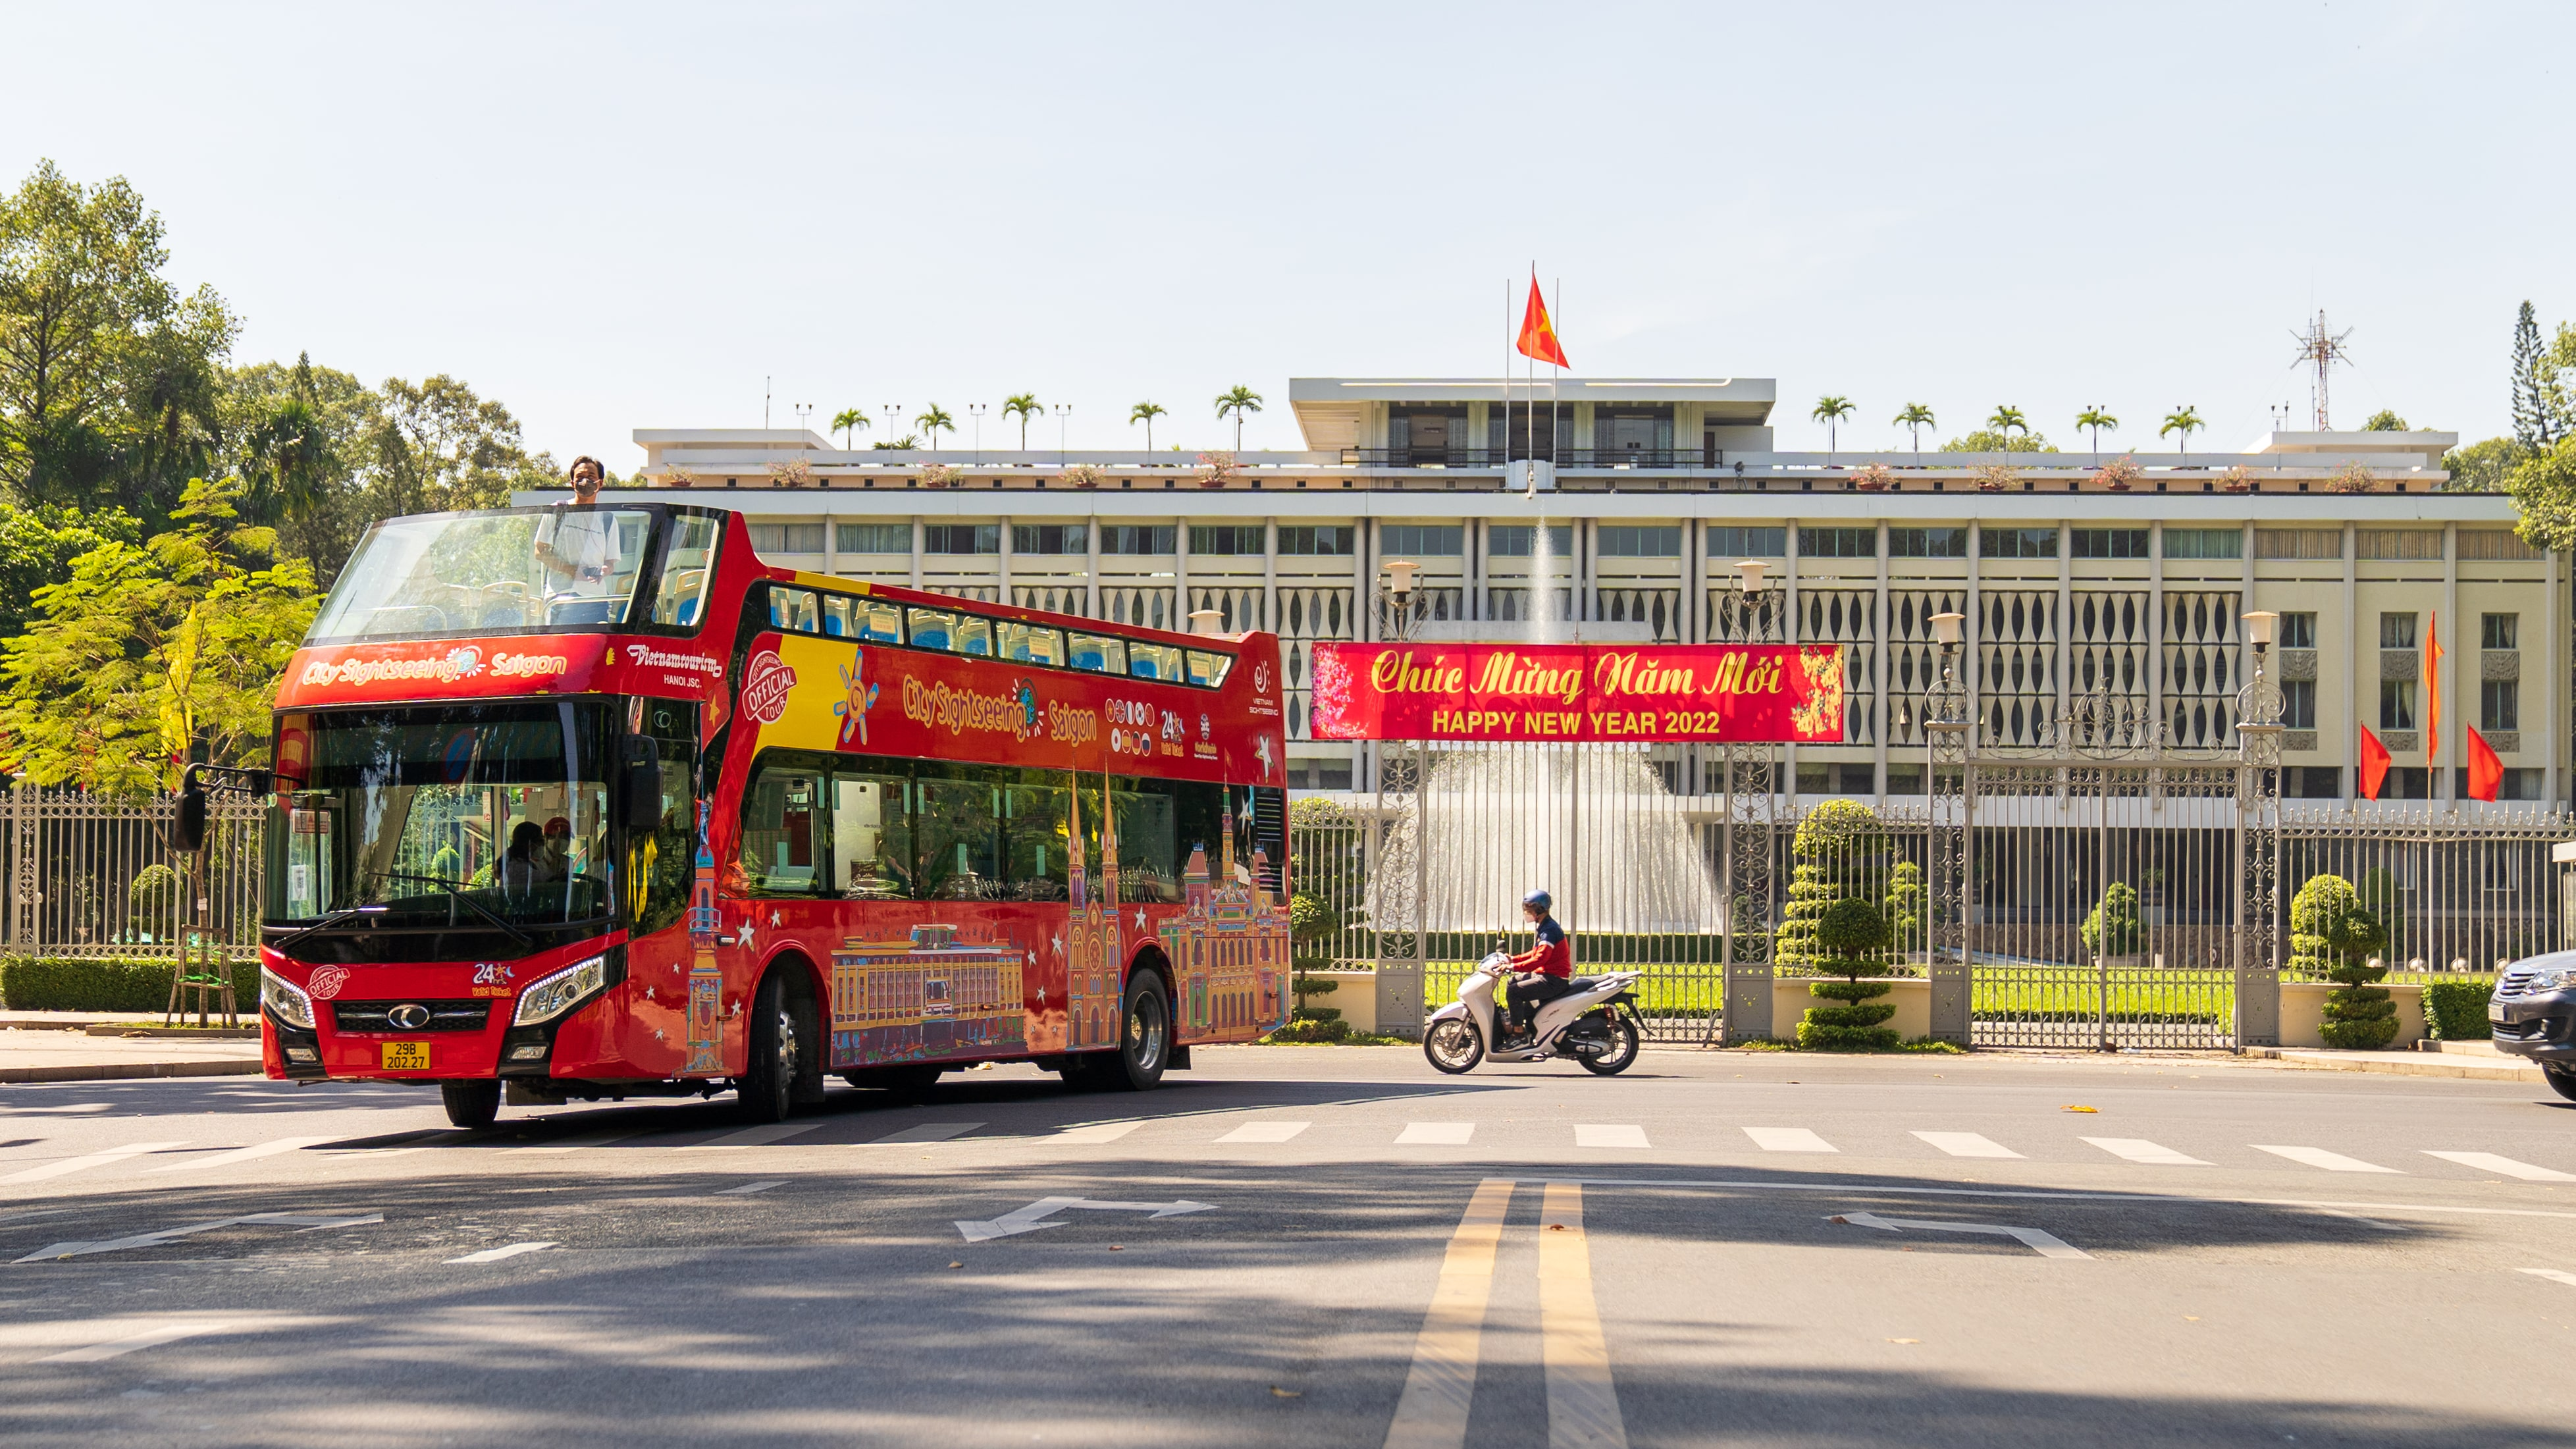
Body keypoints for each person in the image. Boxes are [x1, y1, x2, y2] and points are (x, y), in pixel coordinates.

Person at [532, 456, 622, 596]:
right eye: (580, 477)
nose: (585, 481)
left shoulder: (607, 519)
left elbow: (611, 562)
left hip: (595, 598)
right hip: (560, 595)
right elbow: (540, 552)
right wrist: (571, 570)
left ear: (601, 483)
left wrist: (605, 570)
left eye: (591, 476)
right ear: (572, 483)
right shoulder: (557, 510)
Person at [1500, 889, 1573, 1046]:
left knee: (1514, 991)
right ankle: (1526, 1026)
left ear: (1539, 909)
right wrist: (1512, 959)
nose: (1527, 912)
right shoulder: (1545, 926)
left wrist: (1513, 967)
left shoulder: (1549, 930)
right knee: (1512, 982)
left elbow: (1540, 959)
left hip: (1553, 980)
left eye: (1529, 909)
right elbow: (1535, 953)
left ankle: (1519, 1035)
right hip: (1546, 976)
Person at [500, 821, 545, 892]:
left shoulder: (517, 864)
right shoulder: (519, 869)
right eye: (540, 841)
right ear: (529, 843)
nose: (543, 845)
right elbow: (544, 883)